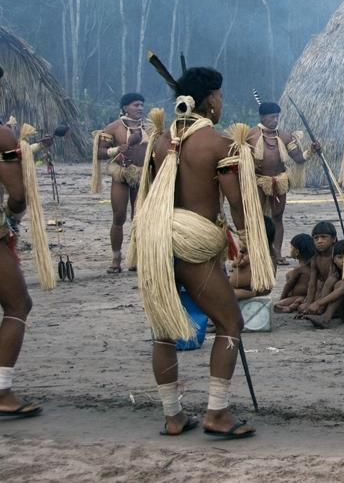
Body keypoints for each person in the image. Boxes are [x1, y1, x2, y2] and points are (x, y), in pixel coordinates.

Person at [136, 64, 274, 439]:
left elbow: (148, 193)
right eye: (220, 96)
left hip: (156, 242)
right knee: (231, 324)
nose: (222, 102)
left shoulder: (161, 141)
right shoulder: (218, 142)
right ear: (211, 99)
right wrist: (248, 242)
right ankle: (217, 412)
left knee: (163, 330)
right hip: (193, 244)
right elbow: (235, 202)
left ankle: (173, 415)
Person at [0, 96, 57, 418]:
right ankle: (2, 390)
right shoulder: (2, 136)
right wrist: (12, 219)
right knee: (18, 305)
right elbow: (18, 194)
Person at [247, 101, 318, 264]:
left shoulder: (284, 136)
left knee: (277, 217)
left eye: (277, 116)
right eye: (272, 117)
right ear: (263, 117)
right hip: (257, 181)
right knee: (256, 217)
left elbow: (298, 158)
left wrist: (311, 150)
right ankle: (257, 253)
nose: (275, 120)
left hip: (279, 181)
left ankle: (277, 254)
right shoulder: (251, 136)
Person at [92, 92, 152, 274]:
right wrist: (118, 149)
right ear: (125, 107)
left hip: (142, 175)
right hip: (121, 174)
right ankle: (116, 259)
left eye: (142, 105)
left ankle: (137, 257)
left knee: (140, 218)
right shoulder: (114, 128)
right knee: (119, 216)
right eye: (136, 105)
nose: (140, 108)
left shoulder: (150, 127)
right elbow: (99, 153)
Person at [230, 216, 276, 300]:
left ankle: (251, 294)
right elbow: (235, 264)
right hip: (242, 287)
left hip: (248, 290)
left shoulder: (256, 254)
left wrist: (241, 252)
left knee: (228, 294)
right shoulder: (266, 251)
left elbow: (237, 264)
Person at [274, 234, 315, 313]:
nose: (290, 250)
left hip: (299, 296)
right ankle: (295, 305)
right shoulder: (312, 265)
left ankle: (290, 307)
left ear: (297, 252)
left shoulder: (299, 269)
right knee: (300, 300)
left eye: (291, 248)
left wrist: (282, 298)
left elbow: (289, 285)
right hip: (308, 296)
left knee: (277, 305)